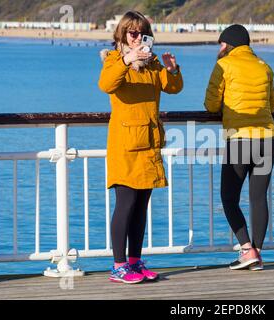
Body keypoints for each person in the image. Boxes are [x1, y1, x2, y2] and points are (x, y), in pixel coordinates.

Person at [98, 11, 183, 284]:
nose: (137, 37)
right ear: (122, 34)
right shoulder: (113, 60)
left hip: (149, 142)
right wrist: (127, 59)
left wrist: (172, 69)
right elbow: (106, 84)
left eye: (142, 33)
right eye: (132, 32)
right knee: (126, 204)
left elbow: (173, 88)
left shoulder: (152, 63)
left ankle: (135, 262)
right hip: (125, 144)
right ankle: (119, 265)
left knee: (142, 206)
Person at [204, 24, 274, 271]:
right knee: (258, 198)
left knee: (229, 197)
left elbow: (211, 104)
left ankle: (247, 249)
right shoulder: (264, 66)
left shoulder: (224, 65)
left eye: (221, 44)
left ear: (227, 44)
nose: (219, 48)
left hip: (239, 139)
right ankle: (257, 252)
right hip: (267, 139)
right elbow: (273, 104)